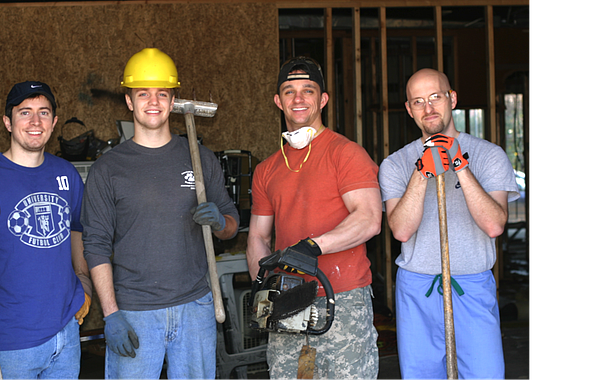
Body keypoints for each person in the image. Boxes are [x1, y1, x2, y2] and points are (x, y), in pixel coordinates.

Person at [81, 48, 239, 380]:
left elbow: (232, 224)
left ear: (173, 100)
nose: (153, 102)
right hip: (135, 311)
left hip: (195, 307)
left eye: (162, 94)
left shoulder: (199, 157)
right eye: (143, 94)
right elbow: (95, 245)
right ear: (129, 101)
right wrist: (111, 315)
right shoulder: (108, 169)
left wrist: (220, 222)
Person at [246, 56, 383, 379]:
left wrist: (313, 246)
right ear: (278, 101)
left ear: (323, 99)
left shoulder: (345, 153)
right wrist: (264, 289)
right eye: (289, 91)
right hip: (289, 300)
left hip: (343, 298)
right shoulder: (267, 169)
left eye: (308, 90)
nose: (298, 99)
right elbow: (258, 237)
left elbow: (369, 218)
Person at [378, 68, 520, 379]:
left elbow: (494, 225)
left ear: (452, 98)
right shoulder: (396, 164)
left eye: (435, 97)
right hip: (418, 287)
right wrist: (421, 171)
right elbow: (401, 230)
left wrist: (460, 165)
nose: (428, 108)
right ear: (409, 109)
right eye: (418, 101)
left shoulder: (489, 155)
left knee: (486, 374)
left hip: (471, 282)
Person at [0, 81, 93, 379]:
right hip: (11, 342)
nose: (35, 122)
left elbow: (76, 231)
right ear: (7, 122)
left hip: (66, 334)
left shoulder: (66, 174)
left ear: (53, 122)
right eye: (24, 112)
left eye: (43, 112)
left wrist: (84, 282)